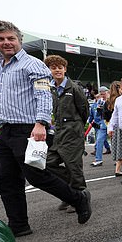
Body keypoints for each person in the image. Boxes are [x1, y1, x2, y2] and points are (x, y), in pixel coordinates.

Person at [0, 20, 91, 236]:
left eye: (11, 38)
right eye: (0, 39)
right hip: (7, 131)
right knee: (5, 180)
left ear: (19, 40)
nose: (6, 42)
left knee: (36, 176)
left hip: (30, 130)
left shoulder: (33, 64)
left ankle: (78, 198)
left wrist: (40, 123)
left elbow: (43, 95)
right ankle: (19, 225)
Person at [43, 54, 90, 213]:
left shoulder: (74, 88)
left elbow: (84, 111)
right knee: (47, 163)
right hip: (59, 133)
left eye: (60, 67)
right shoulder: (50, 89)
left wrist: (76, 126)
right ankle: (70, 192)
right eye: (53, 67)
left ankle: (80, 196)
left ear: (65, 69)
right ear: (49, 70)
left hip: (73, 131)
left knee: (73, 166)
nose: (57, 70)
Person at [106, 81, 122, 176]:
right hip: (120, 124)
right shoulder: (120, 99)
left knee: (118, 146)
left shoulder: (109, 100)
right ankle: (117, 169)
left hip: (112, 125)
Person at [88, 86, 110, 167]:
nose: (103, 96)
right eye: (101, 94)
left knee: (117, 142)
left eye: (104, 94)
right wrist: (99, 110)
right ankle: (98, 160)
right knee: (99, 140)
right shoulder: (99, 102)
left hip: (112, 123)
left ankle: (121, 160)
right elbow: (96, 115)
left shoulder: (112, 101)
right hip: (102, 124)